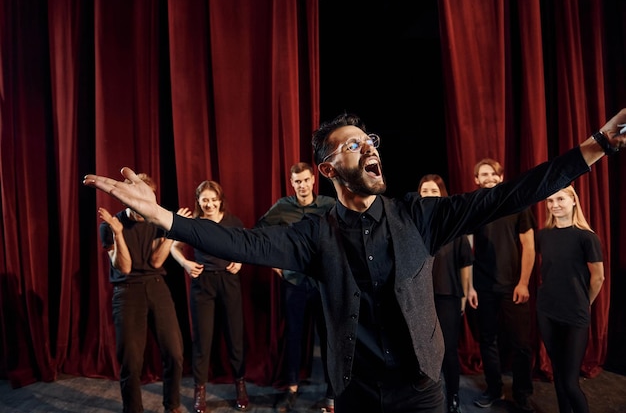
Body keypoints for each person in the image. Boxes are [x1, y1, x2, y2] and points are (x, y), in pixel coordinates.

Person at [83, 108, 626, 413]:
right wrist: (162, 216)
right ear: (325, 169)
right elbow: (242, 244)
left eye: (369, 140)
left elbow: (510, 194)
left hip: (422, 390)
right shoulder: (313, 235)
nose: (368, 148)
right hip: (358, 393)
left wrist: (597, 145)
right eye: (350, 145)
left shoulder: (420, 216)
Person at [97, 173, 184, 413]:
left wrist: (171, 233)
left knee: (175, 353)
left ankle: (172, 405)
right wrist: (118, 234)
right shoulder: (110, 225)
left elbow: (156, 262)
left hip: (157, 286)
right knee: (131, 362)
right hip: (127, 292)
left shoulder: (156, 221)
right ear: (126, 198)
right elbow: (123, 267)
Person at [255, 162, 336, 413]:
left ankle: (332, 395)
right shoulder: (282, 207)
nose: (302, 185)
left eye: (305, 180)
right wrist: (274, 264)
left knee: (328, 339)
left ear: (313, 180)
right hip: (294, 283)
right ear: (292, 183)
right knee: (293, 337)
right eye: (297, 181)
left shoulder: (328, 205)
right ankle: (291, 389)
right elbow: (260, 231)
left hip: (323, 284)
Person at [169, 180, 249, 413]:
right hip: (203, 282)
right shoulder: (193, 223)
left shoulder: (233, 222)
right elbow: (175, 248)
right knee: (202, 339)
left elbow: (247, 245)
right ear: (199, 201)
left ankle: (240, 385)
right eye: (205, 200)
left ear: (220, 199)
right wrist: (185, 263)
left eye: (214, 199)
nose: (210, 204)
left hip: (228, 280)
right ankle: (199, 389)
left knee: (235, 336)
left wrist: (240, 260)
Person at [470, 157, 537, 412]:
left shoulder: (517, 203)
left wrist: (523, 282)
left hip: (513, 286)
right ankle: (494, 388)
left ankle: (521, 393)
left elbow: (529, 246)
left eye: (492, 174)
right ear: (476, 180)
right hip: (482, 286)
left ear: (500, 177)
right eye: (483, 175)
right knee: (487, 340)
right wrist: (470, 287)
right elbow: (467, 245)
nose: (488, 178)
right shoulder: (473, 207)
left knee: (521, 343)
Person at [536, 185, 604, 413]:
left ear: (574, 201)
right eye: (550, 201)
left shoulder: (586, 237)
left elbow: (598, 277)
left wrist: (585, 303)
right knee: (558, 373)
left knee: (569, 382)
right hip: (547, 311)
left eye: (560, 199)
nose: (554, 205)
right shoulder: (543, 235)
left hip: (575, 314)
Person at [418, 174, 474, 413]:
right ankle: (424, 398)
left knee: (449, 351)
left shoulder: (456, 226)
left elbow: (465, 264)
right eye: (425, 191)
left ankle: (452, 397)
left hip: (448, 296)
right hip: (420, 300)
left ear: (442, 195)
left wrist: (463, 296)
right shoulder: (412, 227)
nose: (429, 195)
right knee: (421, 351)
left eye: (434, 191)